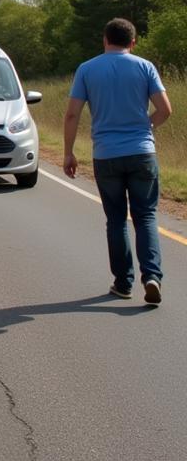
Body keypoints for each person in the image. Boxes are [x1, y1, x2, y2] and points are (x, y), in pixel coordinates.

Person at [64, 18, 172, 304]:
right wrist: (145, 127)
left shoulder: (87, 69)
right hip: (142, 153)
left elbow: (72, 114)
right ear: (133, 42)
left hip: (106, 155)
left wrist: (69, 152)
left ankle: (123, 284)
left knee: (116, 220)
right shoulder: (145, 66)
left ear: (104, 39)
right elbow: (165, 110)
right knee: (146, 216)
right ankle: (151, 276)